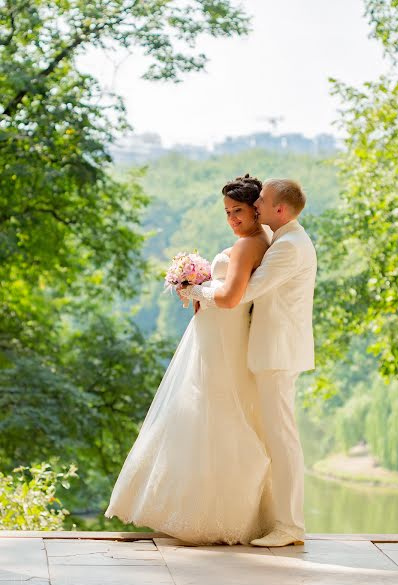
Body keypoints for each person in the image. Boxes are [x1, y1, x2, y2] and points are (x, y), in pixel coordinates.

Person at [104, 175, 277, 546]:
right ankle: (214, 510)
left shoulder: (249, 245)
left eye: (238, 212)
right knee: (211, 411)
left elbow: (231, 297)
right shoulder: (262, 239)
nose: (232, 219)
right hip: (222, 333)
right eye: (228, 212)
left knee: (211, 411)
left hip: (223, 334)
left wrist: (193, 287)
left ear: (256, 209)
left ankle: (211, 516)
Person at [181, 178, 317, 547]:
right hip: (271, 350)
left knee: (282, 439)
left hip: (277, 352)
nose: (256, 206)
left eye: (262, 202)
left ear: (281, 210)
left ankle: (289, 527)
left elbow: (243, 294)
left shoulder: (288, 247)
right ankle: (277, 520)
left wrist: (192, 288)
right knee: (274, 436)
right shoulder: (284, 241)